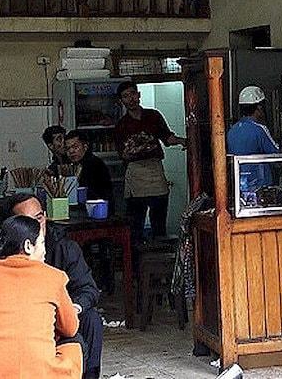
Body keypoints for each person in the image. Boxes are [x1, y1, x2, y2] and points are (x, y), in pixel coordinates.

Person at [0, 215, 83, 379]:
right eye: (41, 243)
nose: (45, 251)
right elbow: (70, 328)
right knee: (74, 344)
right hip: (41, 375)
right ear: (28, 246)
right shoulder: (54, 277)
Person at [10, 194, 103, 379]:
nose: (37, 227)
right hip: (22, 322)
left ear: (45, 217)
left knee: (91, 319)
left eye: (39, 218)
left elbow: (88, 289)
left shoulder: (64, 247)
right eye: (28, 222)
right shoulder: (5, 255)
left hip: (62, 319)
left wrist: (72, 309)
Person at [113, 81, 187, 243]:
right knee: (136, 225)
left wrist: (183, 141)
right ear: (121, 101)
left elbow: (167, 137)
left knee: (159, 222)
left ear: (138, 95)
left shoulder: (153, 116)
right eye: (126, 96)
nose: (131, 99)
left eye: (133, 94)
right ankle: (138, 255)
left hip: (155, 171)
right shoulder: (121, 126)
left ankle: (160, 251)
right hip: (136, 173)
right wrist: (136, 149)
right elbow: (123, 154)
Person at [226, 86, 280, 192]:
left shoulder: (232, 130)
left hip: (240, 187)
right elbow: (278, 160)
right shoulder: (259, 129)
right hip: (260, 188)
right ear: (259, 107)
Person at [64, 129, 114, 202]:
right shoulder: (70, 165)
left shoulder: (95, 165)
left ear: (85, 147)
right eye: (67, 148)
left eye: (75, 147)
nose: (71, 151)